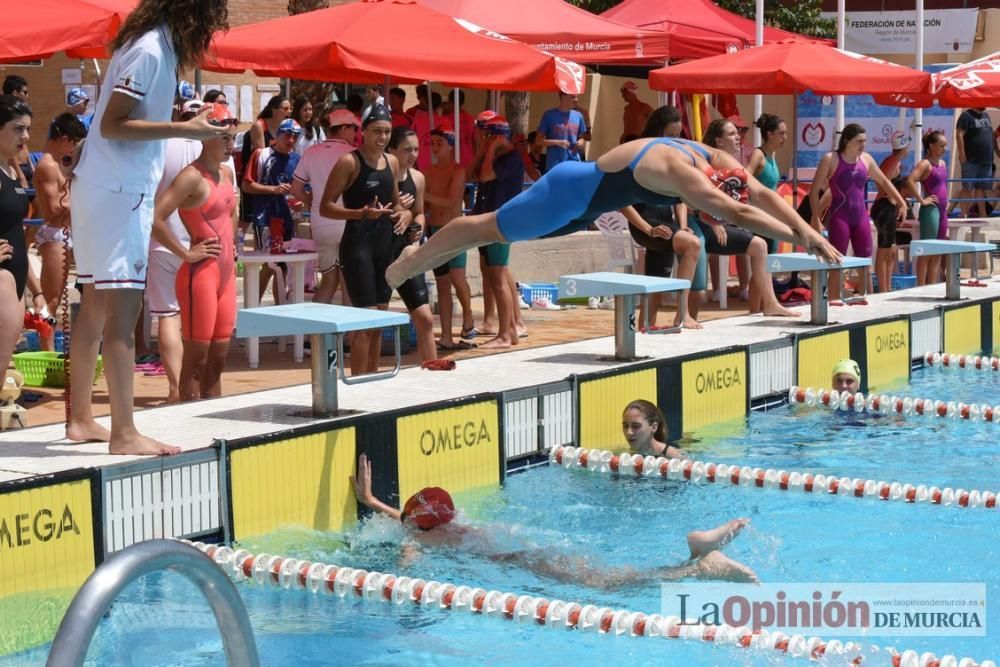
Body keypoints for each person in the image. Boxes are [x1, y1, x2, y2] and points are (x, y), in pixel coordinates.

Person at [65, 0, 230, 455]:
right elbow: (117, 124)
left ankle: (81, 419)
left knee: (96, 305)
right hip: (119, 192)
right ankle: (123, 432)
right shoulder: (152, 50)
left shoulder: (147, 45)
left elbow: (106, 121)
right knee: (122, 314)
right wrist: (185, 129)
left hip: (104, 186)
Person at [387, 134, 842, 290]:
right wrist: (804, 238)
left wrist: (806, 228)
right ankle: (416, 257)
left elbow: (759, 193)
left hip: (583, 201)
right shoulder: (682, 171)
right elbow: (737, 213)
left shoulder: (711, 156)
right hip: (568, 197)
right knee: (490, 230)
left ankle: (420, 257)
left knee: (492, 235)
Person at [351, 453, 758, 587]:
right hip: (534, 551)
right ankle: (694, 560)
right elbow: (414, 519)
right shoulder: (456, 523)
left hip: (526, 563)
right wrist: (371, 500)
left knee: (613, 586)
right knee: (615, 577)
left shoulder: (424, 538)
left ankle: (698, 564)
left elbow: (408, 546)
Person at [151, 104, 238, 402]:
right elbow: (155, 218)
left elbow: (229, 213)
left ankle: (216, 429)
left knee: (219, 359)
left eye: (233, 138)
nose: (231, 145)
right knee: (197, 361)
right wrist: (186, 253)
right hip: (200, 275)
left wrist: (234, 243)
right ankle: (187, 422)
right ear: (205, 137)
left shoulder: (225, 173)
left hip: (225, 276)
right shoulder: (192, 176)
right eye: (224, 138)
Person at [319, 104, 412, 375]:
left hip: (385, 244)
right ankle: (358, 383)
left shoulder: (392, 162)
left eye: (386, 132)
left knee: (379, 319)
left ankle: (372, 380)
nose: (382, 138)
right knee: (364, 320)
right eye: (377, 132)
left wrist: (404, 214)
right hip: (357, 245)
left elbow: (394, 204)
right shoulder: (349, 162)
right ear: (364, 132)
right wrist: (360, 213)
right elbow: (325, 206)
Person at [696, 119, 798, 319]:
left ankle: (766, 305)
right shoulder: (706, 163)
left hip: (737, 218)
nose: (739, 137)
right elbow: (694, 197)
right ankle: (764, 305)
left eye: (739, 132)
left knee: (762, 250)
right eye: (733, 133)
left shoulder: (734, 164)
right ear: (718, 140)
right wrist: (712, 220)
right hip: (705, 224)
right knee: (760, 248)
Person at [144, 100, 205, 402]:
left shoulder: (159, 144)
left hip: (164, 238)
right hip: (199, 239)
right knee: (195, 320)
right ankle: (191, 386)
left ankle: (174, 388)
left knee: (168, 315)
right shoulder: (211, 147)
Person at [808, 123, 905, 302]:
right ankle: (833, 300)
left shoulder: (866, 159)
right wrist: (816, 217)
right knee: (836, 261)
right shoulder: (831, 159)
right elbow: (814, 191)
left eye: (865, 141)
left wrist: (901, 202)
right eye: (859, 141)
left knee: (864, 261)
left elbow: (884, 181)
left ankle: (864, 298)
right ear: (847, 140)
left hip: (860, 217)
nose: (863, 145)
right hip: (840, 217)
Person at [627, 106, 702, 329]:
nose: (675, 140)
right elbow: (622, 203)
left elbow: (678, 197)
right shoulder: (637, 155)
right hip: (644, 222)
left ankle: (644, 329)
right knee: (692, 245)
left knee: (657, 286)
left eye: (677, 135)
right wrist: (647, 229)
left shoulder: (672, 159)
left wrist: (683, 225)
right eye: (670, 135)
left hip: (665, 224)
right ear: (657, 131)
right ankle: (683, 313)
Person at [290, 109, 358, 305]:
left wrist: (312, 202)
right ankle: (350, 335)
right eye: (354, 128)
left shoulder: (312, 152)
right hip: (347, 220)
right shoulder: (353, 154)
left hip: (320, 222)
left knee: (328, 282)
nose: (356, 133)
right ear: (344, 129)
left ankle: (315, 334)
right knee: (348, 284)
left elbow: (296, 189)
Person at [32, 114, 87, 352]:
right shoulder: (47, 165)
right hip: (55, 234)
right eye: (75, 143)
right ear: (65, 139)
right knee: (52, 299)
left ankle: (51, 348)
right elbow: (54, 209)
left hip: (65, 233)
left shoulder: (60, 163)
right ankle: (47, 351)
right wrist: (84, 201)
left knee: (62, 297)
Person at [471, 116, 526, 349]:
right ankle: (506, 327)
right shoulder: (492, 157)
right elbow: (472, 173)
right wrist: (484, 150)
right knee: (492, 272)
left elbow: (484, 176)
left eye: (487, 136)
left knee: (499, 276)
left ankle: (509, 331)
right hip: (488, 220)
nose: (482, 139)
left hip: (501, 223)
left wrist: (491, 148)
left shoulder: (511, 159)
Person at [386, 126, 436, 362]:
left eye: (416, 149)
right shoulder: (380, 178)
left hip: (405, 254)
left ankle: (433, 374)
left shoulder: (417, 178)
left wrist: (417, 228)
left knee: (425, 318)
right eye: (407, 149)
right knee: (370, 325)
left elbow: (420, 213)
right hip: (379, 253)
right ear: (391, 149)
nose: (413, 154)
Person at [425, 126, 477, 351]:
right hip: (435, 230)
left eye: (439, 143)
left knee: (457, 279)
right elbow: (426, 206)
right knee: (442, 285)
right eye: (433, 143)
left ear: (450, 145)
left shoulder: (458, 171)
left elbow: (450, 201)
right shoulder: (428, 171)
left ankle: (468, 316)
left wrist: (423, 194)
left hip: (453, 230)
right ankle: (446, 335)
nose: (435, 148)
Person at [242, 117, 301, 308]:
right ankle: (253, 311)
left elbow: (302, 190)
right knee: (269, 265)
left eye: (295, 136)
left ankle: (280, 314)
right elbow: (247, 185)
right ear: (278, 135)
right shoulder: (262, 154)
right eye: (287, 135)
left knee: (282, 267)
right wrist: (273, 190)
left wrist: (301, 202)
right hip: (265, 218)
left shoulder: (298, 159)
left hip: (287, 219)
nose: (291, 140)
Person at [0, 96, 33, 385]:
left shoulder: (11, 169)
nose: (25, 136)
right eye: (17, 129)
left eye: (27, 129)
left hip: (16, 277)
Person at [906, 130, 950, 287]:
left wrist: (947, 199)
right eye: (941, 145)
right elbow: (910, 180)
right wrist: (921, 200)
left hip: (943, 210)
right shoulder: (925, 164)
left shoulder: (943, 163)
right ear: (931, 146)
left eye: (945, 145)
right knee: (926, 249)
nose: (945, 148)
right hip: (931, 209)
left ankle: (932, 285)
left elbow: (943, 185)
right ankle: (921, 285)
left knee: (938, 249)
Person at [870, 131, 911, 292]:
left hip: (887, 207)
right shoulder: (893, 161)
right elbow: (882, 183)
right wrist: (893, 198)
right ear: (904, 146)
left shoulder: (894, 160)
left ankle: (886, 288)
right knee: (884, 250)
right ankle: (883, 289)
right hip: (884, 208)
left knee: (891, 251)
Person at [744, 113, 786, 256]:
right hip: (761, 214)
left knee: (771, 255)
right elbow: (745, 177)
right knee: (764, 258)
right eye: (781, 133)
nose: (785, 138)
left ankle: (768, 279)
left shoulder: (772, 155)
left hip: (772, 214)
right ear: (770, 134)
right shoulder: (758, 154)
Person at [955, 107, 993, 218]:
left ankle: (982, 214)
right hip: (971, 160)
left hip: (986, 160)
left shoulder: (986, 115)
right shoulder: (966, 116)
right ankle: (963, 214)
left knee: (981, 188)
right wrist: (962, 154)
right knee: (967, 187)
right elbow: (959, 134)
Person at [535, 92, 586, 172]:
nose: (576, 100)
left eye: (576, 97)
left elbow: (582, 137)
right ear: (563, 97)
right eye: (573, 97)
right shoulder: (549, 115)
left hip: (574, 164)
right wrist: (557, 142)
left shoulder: (579, 116)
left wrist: (580, 142)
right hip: (554, 166)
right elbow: (538, 141)